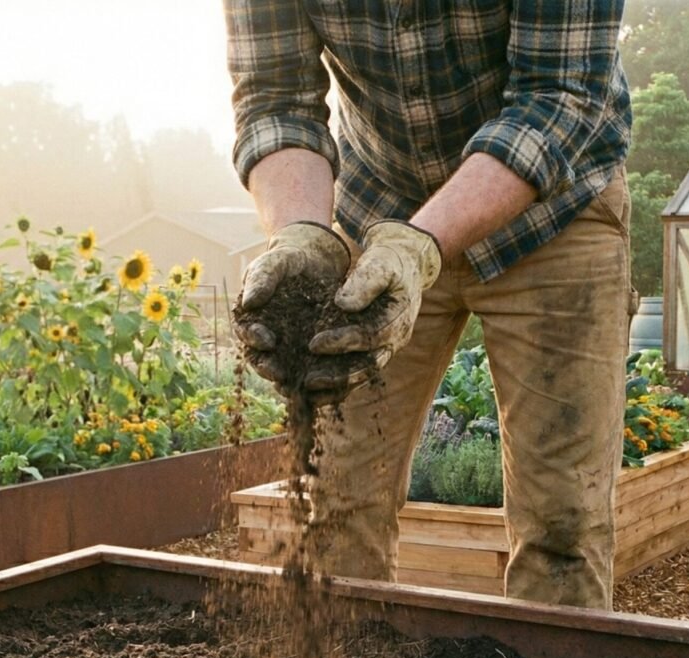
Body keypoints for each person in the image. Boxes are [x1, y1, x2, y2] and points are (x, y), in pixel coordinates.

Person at [224, 1, 634, 610]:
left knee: (561, 524)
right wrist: (302, 232)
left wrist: (423, 247)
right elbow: (276, 100)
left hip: (554, 212)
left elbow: (560, 97)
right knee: (337, 500)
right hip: (381, 205)